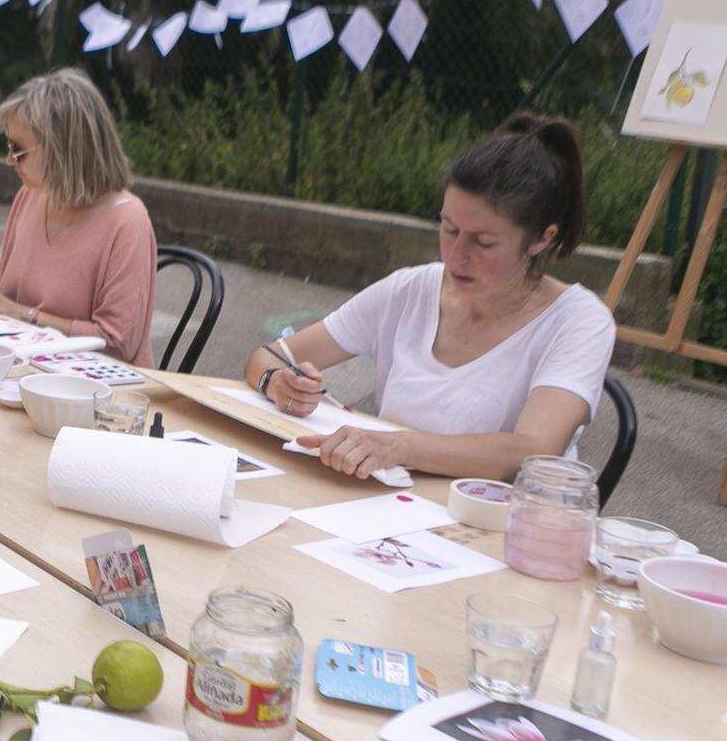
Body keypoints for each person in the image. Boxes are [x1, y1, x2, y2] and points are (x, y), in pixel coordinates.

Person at [243, 112, 615, 481]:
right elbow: (269, 356)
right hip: (383, 508)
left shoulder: (578, 321)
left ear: (542, 238)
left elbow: (532, 450)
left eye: (484, 242)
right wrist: (277, 382)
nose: (456, 255)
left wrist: (395, 446)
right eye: (449, 228)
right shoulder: (411, 291)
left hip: (496, 527)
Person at [0, 69, 157, 362]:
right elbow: (4, 284)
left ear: (63, 149)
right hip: (21, 370)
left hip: (90, 390)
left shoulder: (128, 222)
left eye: (17, 150)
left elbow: (116, 344)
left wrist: (22, 314)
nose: (8, 160)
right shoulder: (32, 194)